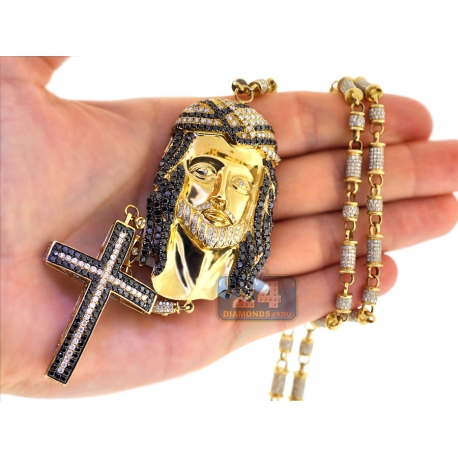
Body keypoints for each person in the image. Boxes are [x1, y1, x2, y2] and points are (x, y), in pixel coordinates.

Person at [1, 57, 457, 398]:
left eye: (240, 184)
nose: (221, 196)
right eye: (205, 171)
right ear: (174, 176)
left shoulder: (236, 285)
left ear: (260, 202)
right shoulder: (140, 255)